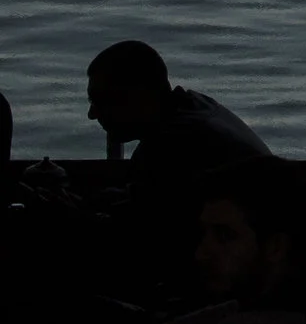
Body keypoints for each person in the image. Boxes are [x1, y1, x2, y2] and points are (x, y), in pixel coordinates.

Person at [86, 42, 272, 290]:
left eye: (101, 101)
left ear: (139, 96)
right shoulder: (198, 106)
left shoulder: (169, 145)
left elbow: (142, 243)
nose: (92, 113)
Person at [117, 157, 306, 324]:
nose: (201, 253)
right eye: (205, 234)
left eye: (225, 236)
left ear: (275, 247)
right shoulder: (282, 307)